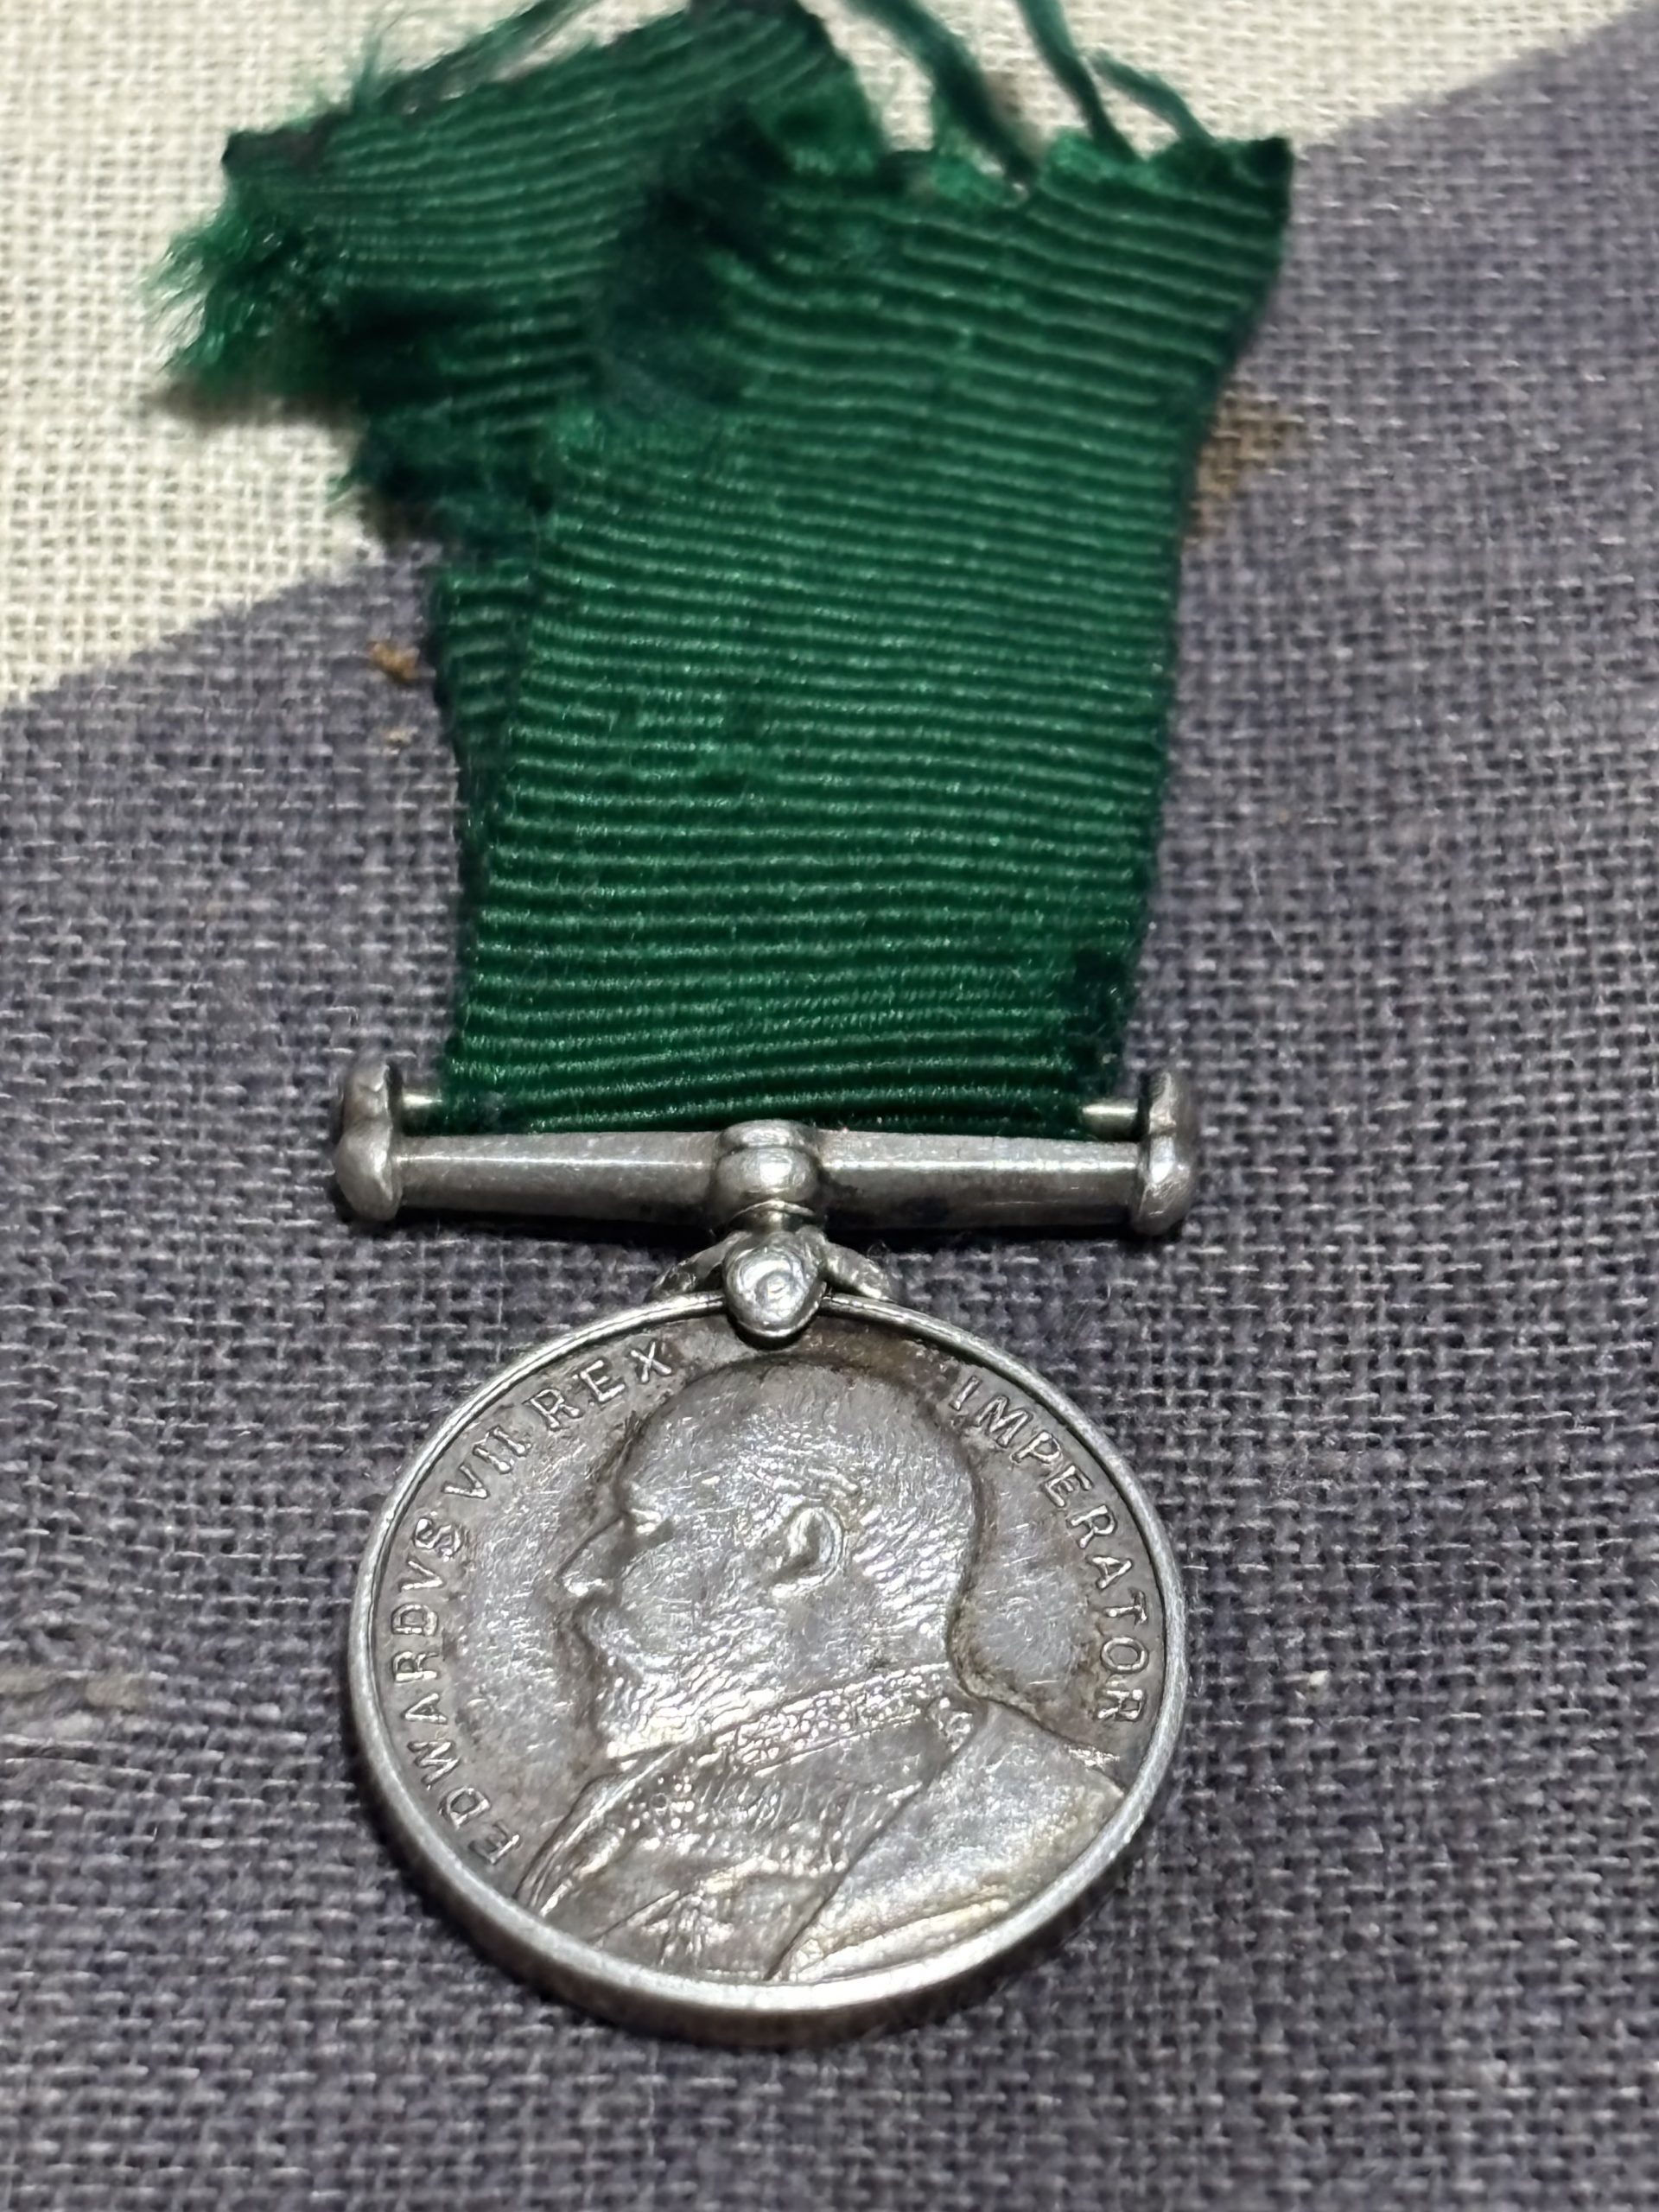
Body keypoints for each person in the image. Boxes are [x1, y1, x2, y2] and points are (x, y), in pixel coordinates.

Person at [517, 1357, 1120, 1982]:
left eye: (642, 1526)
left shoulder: (1040, 1819)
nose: (581, 1572)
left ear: (803, 1552)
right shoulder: (618, 1804)